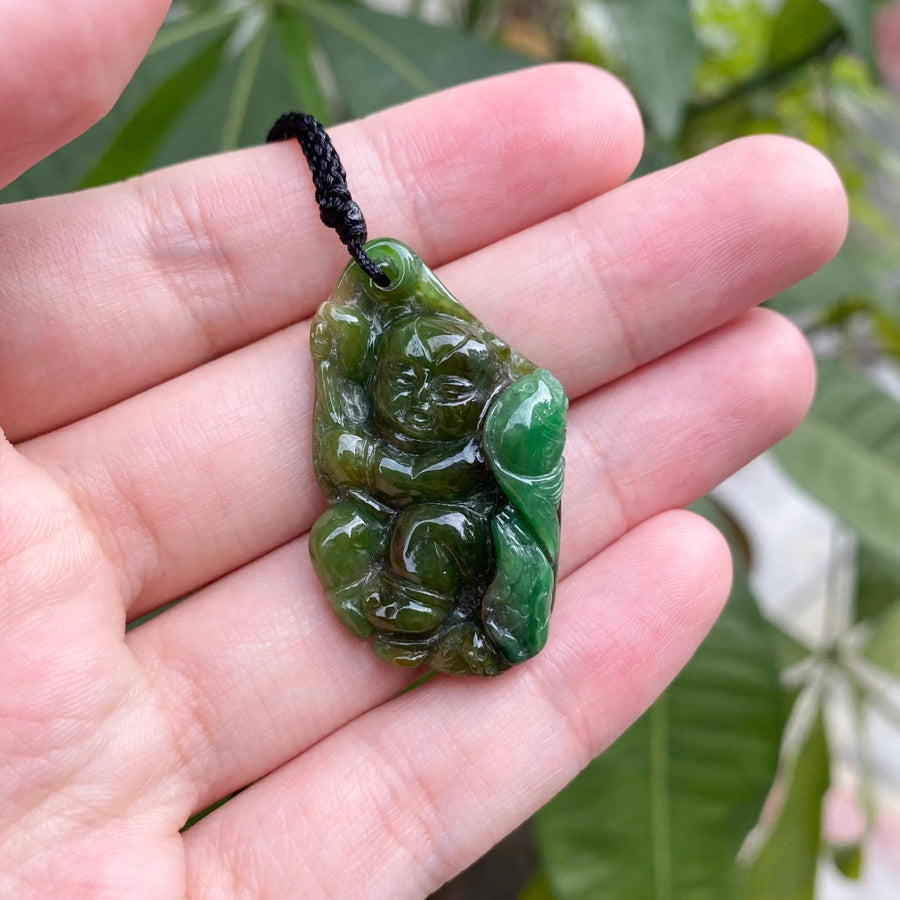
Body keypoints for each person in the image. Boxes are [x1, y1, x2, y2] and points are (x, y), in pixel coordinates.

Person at [0, 3, 847, 897]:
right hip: (387, 541)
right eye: (407, 382)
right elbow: (354, 459)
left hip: (453, 538)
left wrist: (455, 465)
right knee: (346, 541)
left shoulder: (485, 417)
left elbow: (497, 438)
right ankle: (414, 612)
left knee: (451, 538)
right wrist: (372, 421)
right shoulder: (359, 405)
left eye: (446, 390)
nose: (422, 399)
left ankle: (466, 614)